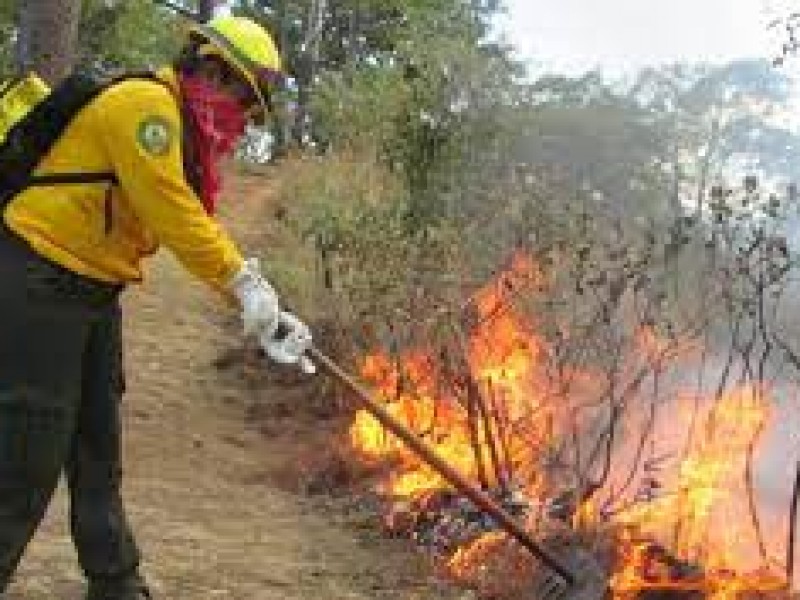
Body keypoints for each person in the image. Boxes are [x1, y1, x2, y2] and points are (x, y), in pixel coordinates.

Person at [0, 15, 313, 600]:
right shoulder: (146, 105)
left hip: (91, 293)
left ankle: (116, 584)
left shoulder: (175, 125)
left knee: (97, 448)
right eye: (244, 100)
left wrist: (268, 306)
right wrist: (242, 281)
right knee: (26, 460)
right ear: (212, 70)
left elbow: (183, 217)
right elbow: (173, 212)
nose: (243, 121)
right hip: (37, 281)